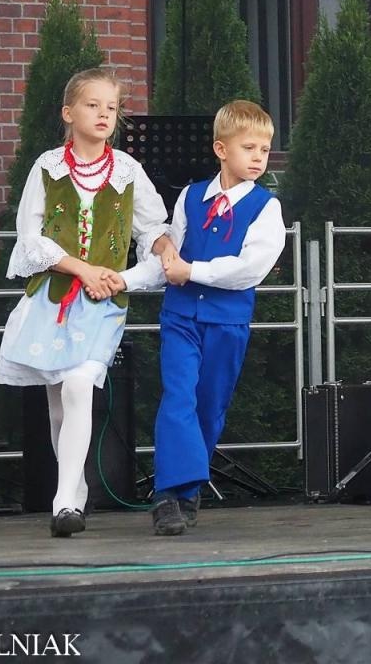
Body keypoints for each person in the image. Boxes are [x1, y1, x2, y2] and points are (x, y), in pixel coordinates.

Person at [0, 67, 173, 538]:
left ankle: (62, 502)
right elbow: (29, 239)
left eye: (111, 107)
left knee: (78, 385)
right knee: (58, 401)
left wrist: (135, 269)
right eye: (93, 105)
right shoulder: (48, 166)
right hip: (53, 298)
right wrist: (81, 269)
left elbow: (152, 229)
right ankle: (73, 492)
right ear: (68, 112)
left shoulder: (128, 171)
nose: (103, 114)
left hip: (103, 303)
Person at [118, 100, 285, 535]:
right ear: (220, 149)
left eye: (264, 150)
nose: (257, 157)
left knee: (210, 407)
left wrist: (193, 271)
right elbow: (167, 258)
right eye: (248, 147)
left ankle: (188, 489)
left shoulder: (266, 207)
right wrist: (124, 281)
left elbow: (251, 268)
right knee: (178, 396)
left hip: (228, 322)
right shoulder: (191, 197)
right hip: (180, 316)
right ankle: (167, 496)